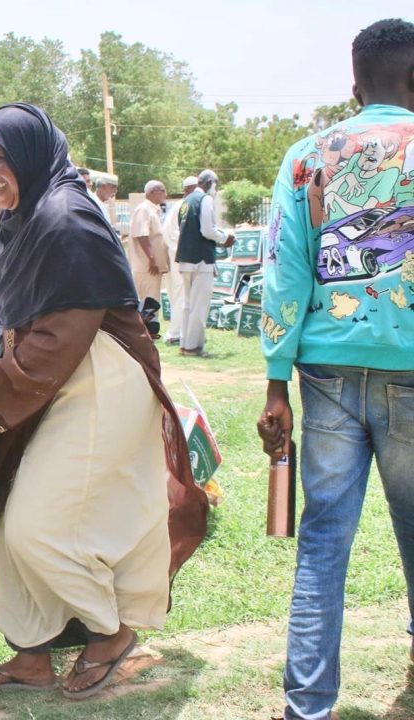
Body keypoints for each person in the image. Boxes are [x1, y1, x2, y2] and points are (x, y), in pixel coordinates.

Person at [0, 104, 207, 699]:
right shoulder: (19, 217)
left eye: (0, 159)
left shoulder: (66, 217)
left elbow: (62, 334)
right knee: (10, 516)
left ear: (30, 154)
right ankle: (30, 655)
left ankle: (111, 634)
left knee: (37, 525)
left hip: (101, 379)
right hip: (52, 379)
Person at [257, 18, 414, 720]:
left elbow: (284, 274)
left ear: (356, 86)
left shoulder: (307, 157)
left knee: (322, 543)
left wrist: (273, 378)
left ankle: (307, 707)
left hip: (324, 373)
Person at [175, 170, 235, 357]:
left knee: (188, 304)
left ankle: (186, 343)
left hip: (186, 258)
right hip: (201, 260)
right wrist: (225, 237)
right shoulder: (205, 200)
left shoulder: (186, 201)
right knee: (199, 306)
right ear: (210, 183)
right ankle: (193, 347)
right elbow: (207, 230)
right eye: (216, 185)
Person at [160, 176, 197, 346]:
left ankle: (180, 331)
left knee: (179, 295)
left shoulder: (180, 206)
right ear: (189, 189)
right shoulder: (185, 206)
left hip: (176, 256)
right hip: (180, 257)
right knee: (182, 296)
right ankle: (175, 333)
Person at [128, 180, 169, 318]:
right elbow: (141, 235)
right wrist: (152, 259)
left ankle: (150, 335)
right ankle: (146, 336)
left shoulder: (154, 210)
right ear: (152, 192)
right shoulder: (143, 209)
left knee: (152, 304)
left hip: (153, 268)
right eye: (162, 190)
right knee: (148, 305)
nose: (165, 194)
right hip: (147, 268)